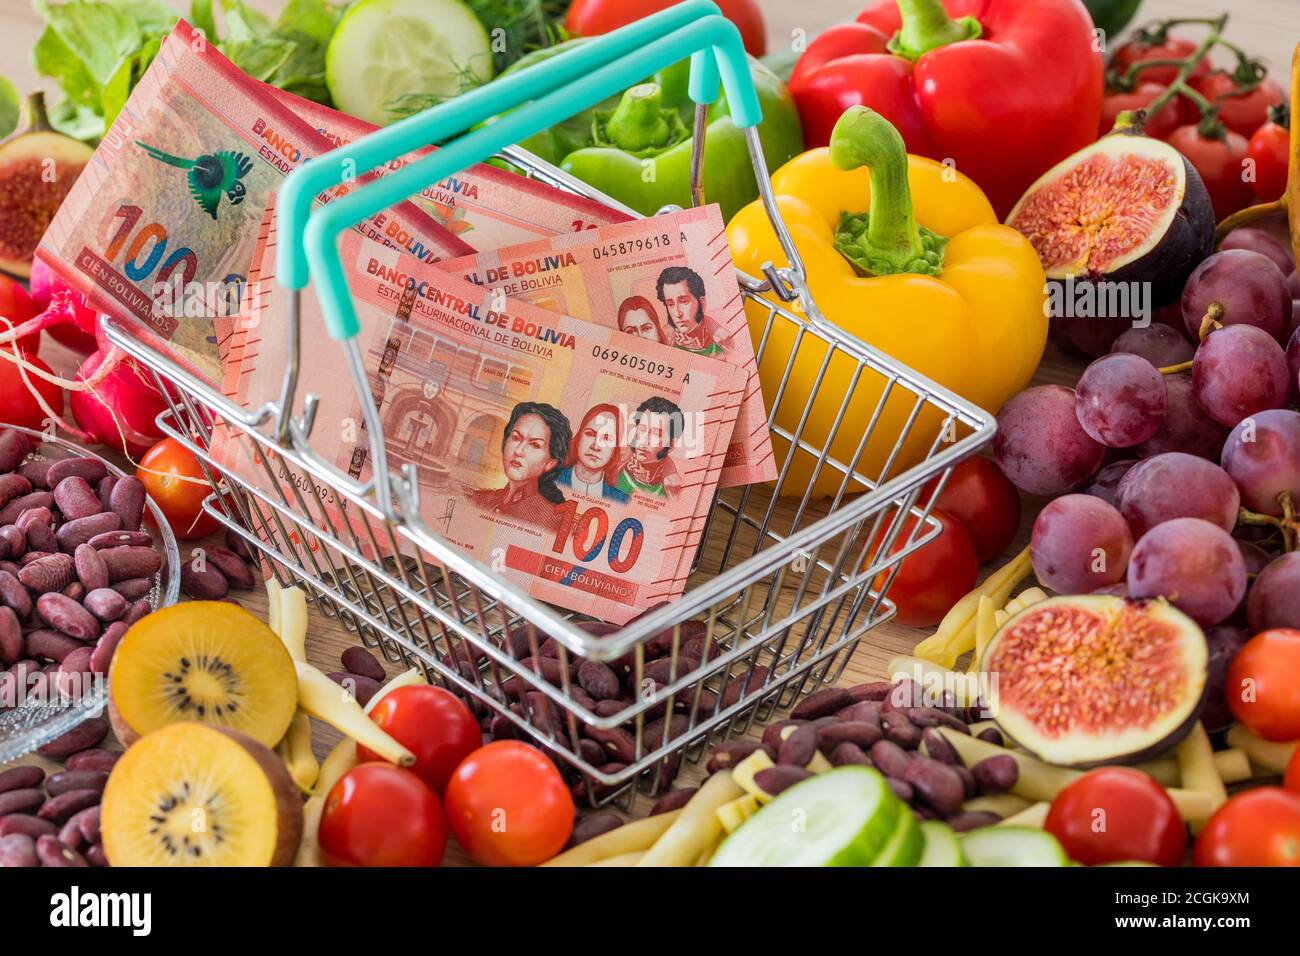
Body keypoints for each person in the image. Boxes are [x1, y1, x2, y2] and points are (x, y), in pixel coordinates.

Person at [468, 402, 571, 532]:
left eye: (535, 445)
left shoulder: (550, 520)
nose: (518, 450)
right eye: (516, 437)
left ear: (550, 463)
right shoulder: (479, 499)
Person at [555, 404, 630, 503]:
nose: (595, 446)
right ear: (578, 439)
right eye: (590, 434)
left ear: (614, 451)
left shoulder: (622, 501)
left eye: (606, 438)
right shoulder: (550, 482)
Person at [615, 397, 684, 500]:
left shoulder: (672, 489)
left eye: (655, 434)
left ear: (671, 445)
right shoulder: (611, 461)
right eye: (641, 430)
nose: (644, 440)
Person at [655, 266, 724, 355]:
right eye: (670, 304)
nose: (677, 313)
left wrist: (698, 351)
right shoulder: (664, 337)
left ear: (702, 303)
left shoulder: (721, 337)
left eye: (684, 302)